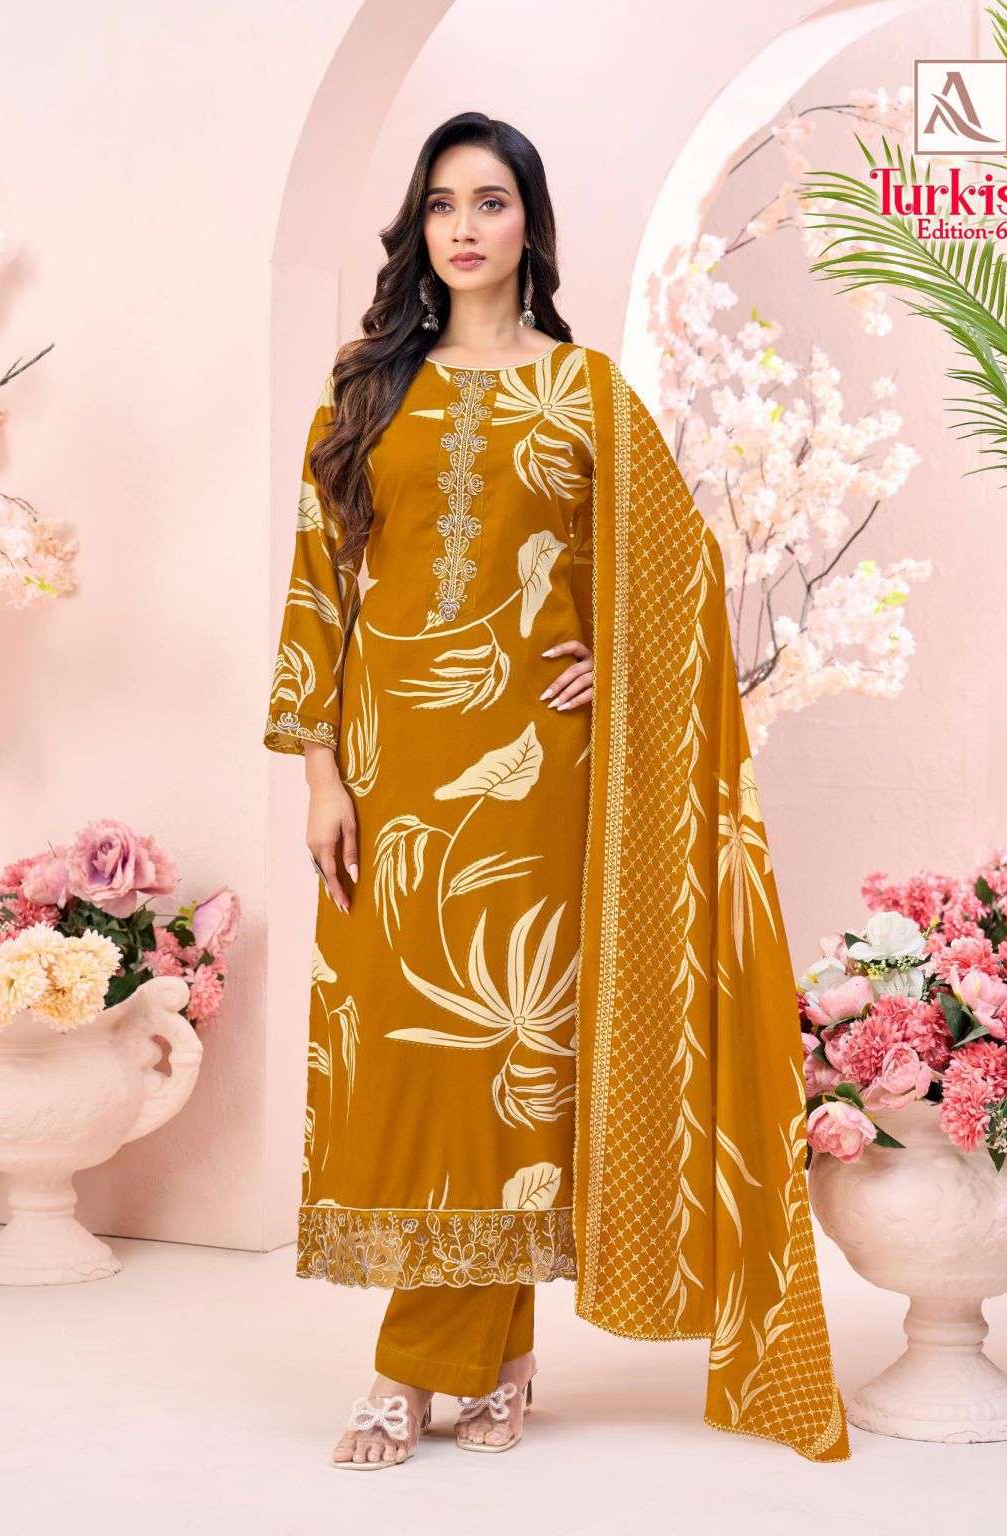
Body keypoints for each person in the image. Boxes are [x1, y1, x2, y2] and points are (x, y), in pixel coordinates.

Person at [264, 110, 851, 1470]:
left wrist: (624, 661)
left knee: (510, 1061)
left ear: (530, 222)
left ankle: (415, 1370)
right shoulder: (366, 391)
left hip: (543, 777)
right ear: (418, 229)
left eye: (490, 201)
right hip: (393, 771)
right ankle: (504, 1356)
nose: (464, 227)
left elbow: (681, 574)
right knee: (420, 1055)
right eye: (441, 204)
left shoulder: (586, 392)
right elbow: (317, 583)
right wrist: (318, 771)